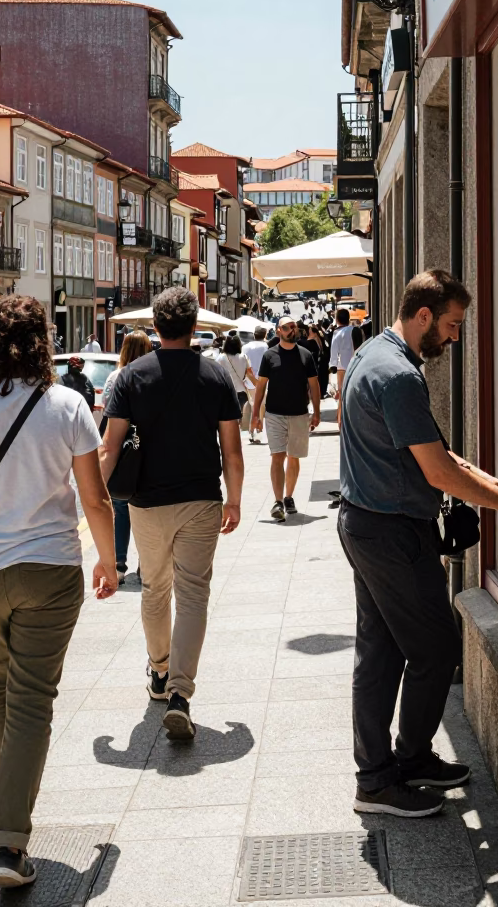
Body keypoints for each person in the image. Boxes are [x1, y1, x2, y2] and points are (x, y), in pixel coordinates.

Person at [338, 270, 498, 821]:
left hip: (369, 522)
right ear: (425, 315)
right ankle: (395, 769)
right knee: (436, 648)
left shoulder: (374, 354)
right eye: (454, 325)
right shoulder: (398, 376)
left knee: (382, 652)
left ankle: (387, 771)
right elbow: (437, 470)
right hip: (390, 531)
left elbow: (435, 454)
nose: (456, 338)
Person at [0, 295, 117, 889]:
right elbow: (93, 497)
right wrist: (109, 558)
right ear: (44, 340)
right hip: (49, 572)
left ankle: (11, 798)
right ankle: (8, 841)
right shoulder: (67, 405)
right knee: (32, 699)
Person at [99, 287, 244, 740]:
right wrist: (235, 498)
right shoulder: (216, 375)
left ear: (156, 326)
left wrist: (93, 502)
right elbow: (232, 450)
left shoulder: (131, 377)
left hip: (146, 503)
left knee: (155, 589)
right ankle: (181, 692)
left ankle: (160, 673)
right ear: (194, 324)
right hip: (202, 500)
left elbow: (109, 446)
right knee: (194, 594)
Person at [251, 315, 321, 522]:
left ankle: (289, 496)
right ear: (278, 330)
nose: (293, 329)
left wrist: (316, 412)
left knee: (294, 457)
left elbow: (314, 386)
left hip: (299, 414)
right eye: (287, 327)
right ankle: (278, 501)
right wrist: (256, 414)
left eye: (294, 326)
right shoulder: (269, 355)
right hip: (274, 414)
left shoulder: (306, 355)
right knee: (277, 456)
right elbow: (261, 386)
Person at [100, 330, 153, 584]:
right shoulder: (153, 375)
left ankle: (119, 564)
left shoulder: (115, 376)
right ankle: (146, 563)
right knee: (146, 504)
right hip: (146, 445)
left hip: (120, 447)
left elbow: (107, 407)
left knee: (119, 506)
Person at [215, 333, 257, 421]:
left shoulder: (220, 358)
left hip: (226, 393)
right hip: (241, 392)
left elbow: (216, 376)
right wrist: (258, 386)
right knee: (240, 419)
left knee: (228, 420)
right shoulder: (244, 357)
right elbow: (250, 374)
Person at [243, 326, 269, 443]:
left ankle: (252, 430)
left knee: (253, 404)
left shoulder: (245, 347)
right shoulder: (266, 347)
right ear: (265, 335)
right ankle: (258, 429)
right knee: (261, 405)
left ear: (254, 335)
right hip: (262, 379)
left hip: (249, 379)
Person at [306, 325, 331, 398]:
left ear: (311, 331)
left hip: (318, 363)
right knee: (323, 377)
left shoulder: (311, 340)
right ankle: (322, 392)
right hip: (323, 362)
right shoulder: (320, 337)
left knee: (318, 378)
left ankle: (319, 393)